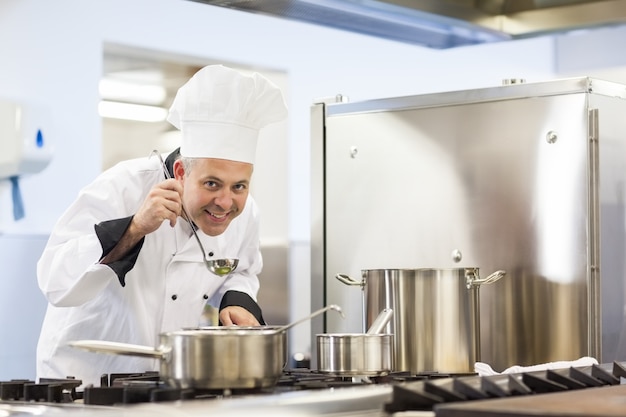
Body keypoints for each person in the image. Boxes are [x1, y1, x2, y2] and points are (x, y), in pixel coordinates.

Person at [35, 64, 288, 387]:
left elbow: (240, 271)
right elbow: (54, 281)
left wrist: (236, 300)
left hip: (167, 382)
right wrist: (134, 228)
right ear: (181, 172)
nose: (226, 202)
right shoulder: (122, 187)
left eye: (239, 185)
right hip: (84, 381)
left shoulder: (245, 213)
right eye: (212, 184)